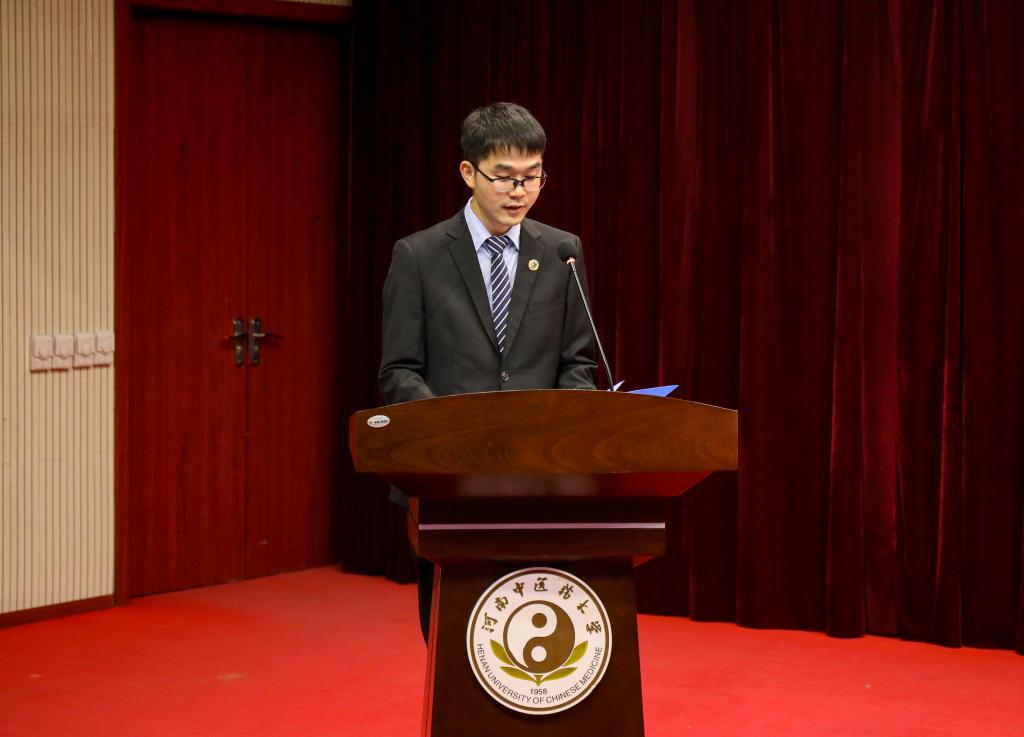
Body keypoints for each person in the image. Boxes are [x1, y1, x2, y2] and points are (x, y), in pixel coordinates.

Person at [378, 102, 598, 642]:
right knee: (456, 638)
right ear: (468, 172)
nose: (519, 191)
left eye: (532, 176)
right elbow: (399, 370)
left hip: (541, 478)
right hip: (450, 481)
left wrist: (557, 436)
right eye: (504, 177)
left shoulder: (562, 252)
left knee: (536, 631)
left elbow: (578, 362)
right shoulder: (420, 256)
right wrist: (457, 440)